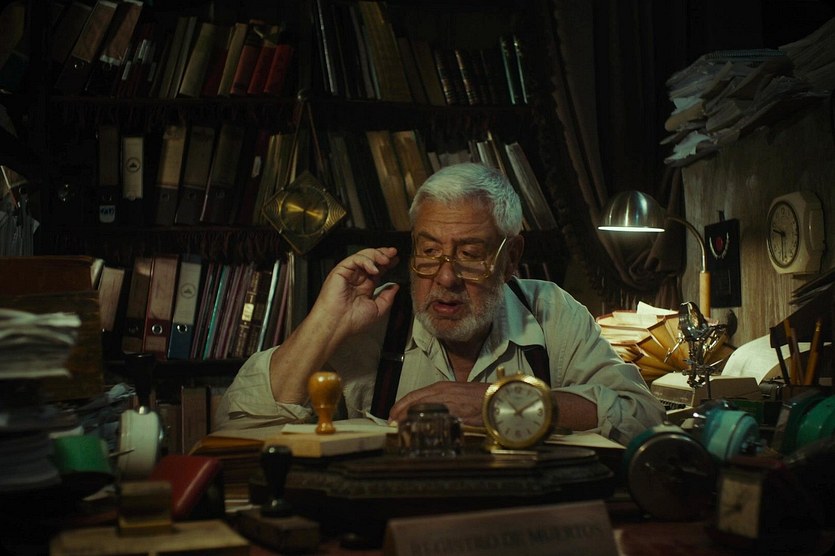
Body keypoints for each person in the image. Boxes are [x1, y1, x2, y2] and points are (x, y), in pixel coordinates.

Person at [214, 162, 665, 445]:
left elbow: (644, 417)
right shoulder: (373, 323)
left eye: (470, 254)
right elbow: (240, 429)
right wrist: (324, 322)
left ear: (511, 258)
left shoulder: (550, 311)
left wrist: (503, 403)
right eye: (429, 252)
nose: (445, 278)